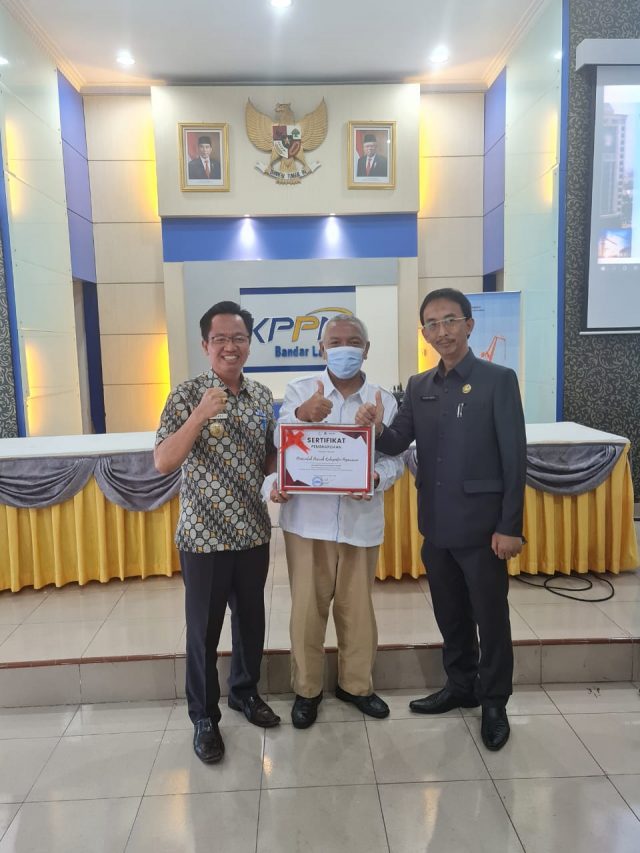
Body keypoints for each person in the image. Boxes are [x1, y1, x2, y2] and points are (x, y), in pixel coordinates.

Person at [356, 288, 526, 751]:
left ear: (469, 324)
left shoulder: (497, 380)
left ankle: (494, 701)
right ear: (424, 333)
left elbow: (515, 457)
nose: (442, 331)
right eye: (431, 324)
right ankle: (460, 685)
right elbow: (397, 441)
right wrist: (375, 426)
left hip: (484, 529)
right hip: (436, 525)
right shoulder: (419, 385)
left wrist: (510, 526)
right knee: (449, 613)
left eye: (450, 320)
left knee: (490, 618)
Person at [154, 300, 280, 765]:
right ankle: (204, 718)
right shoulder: (187, 395)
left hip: (252, 532)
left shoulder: (262, 395)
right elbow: (163, 460)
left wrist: (290, 469)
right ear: (206, 345)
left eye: (239, 338)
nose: (231, 346)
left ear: (249, 344)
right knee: (204, 632)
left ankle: (245, 693)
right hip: (203, 537)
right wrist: (199, 416)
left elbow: (267, 457)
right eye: (221, 339)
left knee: (251, 623)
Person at [265, 315, 404, 728]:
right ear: (322, 349)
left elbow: (395, 458)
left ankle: (356, 686)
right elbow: (278, 444)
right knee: (307, 611)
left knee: (357, 610)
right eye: (336, 341)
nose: (345, 348)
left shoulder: (383, 399)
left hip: (360, 522)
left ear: (367, 349)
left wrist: (375, 478)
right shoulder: (300, 390)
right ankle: (307, 690)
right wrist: (300, 416)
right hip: (308, 522)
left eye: (354, 341)